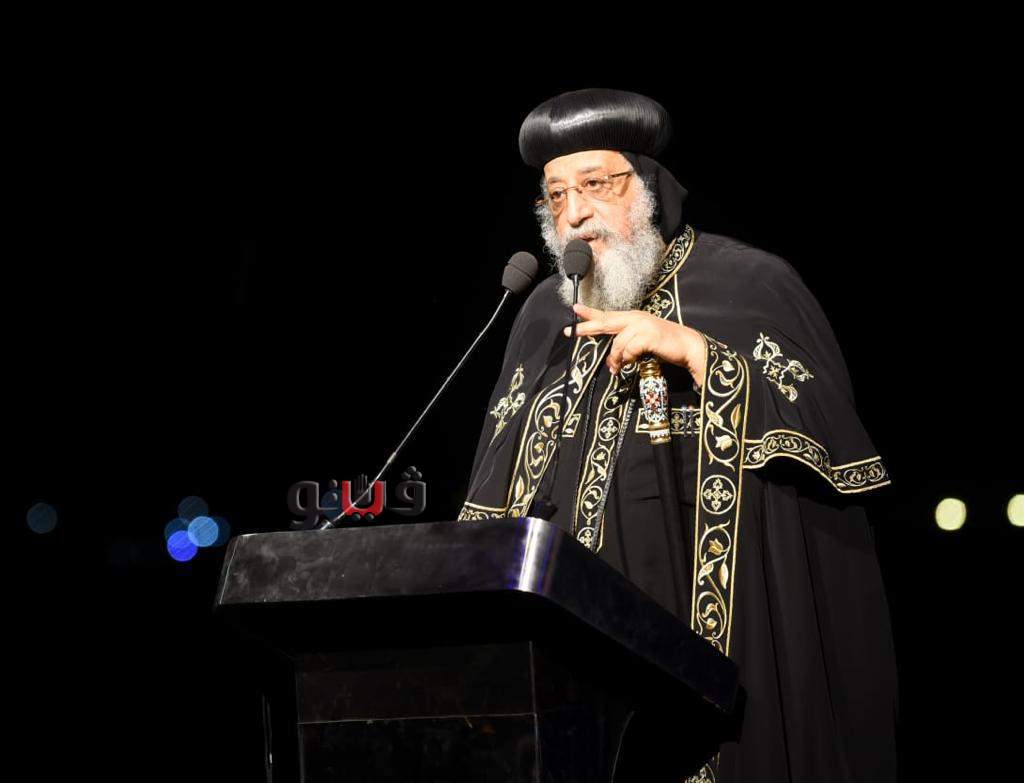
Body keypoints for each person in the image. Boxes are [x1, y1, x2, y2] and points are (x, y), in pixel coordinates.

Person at [459, 88, 898, 782]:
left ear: (650, 187)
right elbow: (493, 506)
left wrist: (700, 355)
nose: (574, 213)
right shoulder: (541, 314)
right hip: (566, 682)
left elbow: (841, 458)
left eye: (596, 184)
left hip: (720, 671)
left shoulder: (751, 284)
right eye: (556, 195)